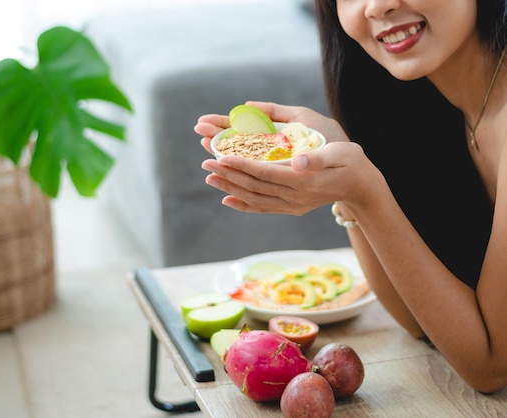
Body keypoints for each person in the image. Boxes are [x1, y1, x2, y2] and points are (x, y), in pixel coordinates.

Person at [194, 0, 507, 393]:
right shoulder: (429, 104)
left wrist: (368, 194)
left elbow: (491, 367)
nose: (378, 6)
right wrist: (345, 177)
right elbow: (416, 322)